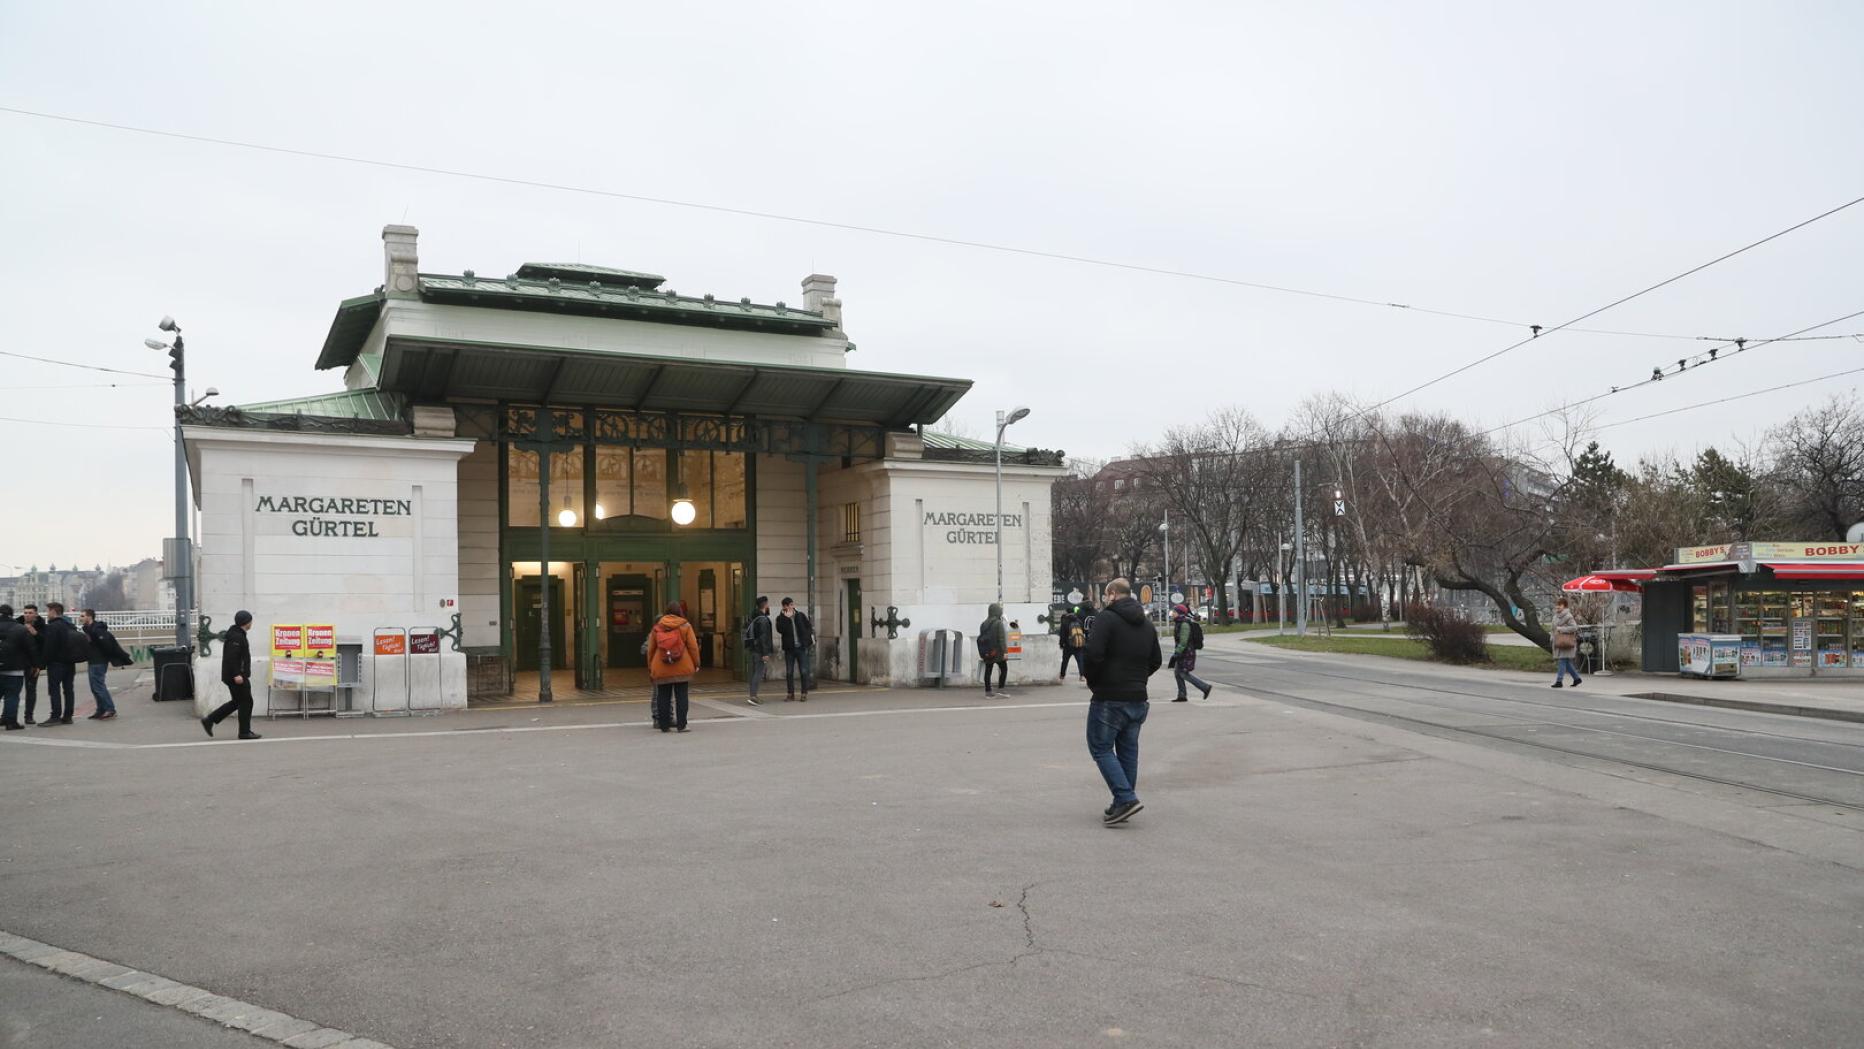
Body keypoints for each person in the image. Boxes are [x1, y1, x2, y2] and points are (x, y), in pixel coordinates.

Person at [1082, 578, 1161, 826]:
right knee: (1128, 751)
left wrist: (1094, 682)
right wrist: (1137, 679)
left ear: (1113, 594)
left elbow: (1093, 654)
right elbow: (1156, 660)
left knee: (1100, 747)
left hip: (1109, 696)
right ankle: (1122, 803)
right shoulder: (1147, 625)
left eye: (1106, 595)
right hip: (1138, 698)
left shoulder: (1106, 619)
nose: (1105, 599)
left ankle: (1126, 798)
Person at [202, 609, 262, 740]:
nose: (251, 623)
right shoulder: (236, 636)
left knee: (238, 702)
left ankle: (210, 720)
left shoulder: (237, 634)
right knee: (246, 701)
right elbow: (232, 657)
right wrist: (237, 674)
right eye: (250, 620)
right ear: (246, 622)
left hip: (236, 675)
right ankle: (244, 732)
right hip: (236, 676)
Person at [646, 603, 700, 732]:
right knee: (681, 696)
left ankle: (664, 726)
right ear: (680, 612)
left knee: (663, 696)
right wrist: (696, 663)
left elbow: (651, 649)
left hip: (662, 666)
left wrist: (651, 666)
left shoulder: (657, 627)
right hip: (682, 667)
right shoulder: (685, 626)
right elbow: (693, 647)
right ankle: (682, 725)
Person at [80, 609, 135, 720]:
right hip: (93, 660)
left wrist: (103, 655)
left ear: (89, 617)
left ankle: (110, 709)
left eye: (82, 616)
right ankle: (101, 710)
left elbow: (106, 645)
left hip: (99, 661)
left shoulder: (98, 630)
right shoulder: (88, 629)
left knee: (99, 686)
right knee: (94, 687)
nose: (80, 618)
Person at [38, 602, 85, 726]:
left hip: (56, 663)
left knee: (54, 689)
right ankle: (68, 716)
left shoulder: (53, 627)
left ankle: (55, 716)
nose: (47, 614)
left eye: (48, 611)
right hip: (70, 663)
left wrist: (41, 664)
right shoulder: (69, 625)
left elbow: (49, 647)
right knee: (68, 690)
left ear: (53, 612)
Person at [1169, 604, 1214, 702]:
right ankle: (1182, 694)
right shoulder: (1179, 623)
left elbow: (1184, 641)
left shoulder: (1184, 624)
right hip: (1184, 652)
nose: (1172, 614)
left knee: (1183, 673)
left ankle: (1205, 687)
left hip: (1186, 653)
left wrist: (1177, 653)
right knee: (1177, 672)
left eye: (1174, 612)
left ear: (1179, 613)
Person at [774, 597, 815, 701]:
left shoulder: (800, 615)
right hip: (789, 649)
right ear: (784, 607)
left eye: (792, 605)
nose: (792, 607)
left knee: (804, 671)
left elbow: (808, 627)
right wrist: (786, 618)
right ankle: (790, 693)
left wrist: (806, 639)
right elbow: (780, 630)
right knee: (789, 672)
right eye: (789, 605)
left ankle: (804, 693)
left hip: (801, 647)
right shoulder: (780, 618)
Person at [0, 605, 32, 730]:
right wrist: (36, 664)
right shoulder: (20, 629)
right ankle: (11, 722)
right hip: (15, 669)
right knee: (12, 696)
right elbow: (30, 649)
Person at [16, 604, 45, 724]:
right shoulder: (16, 624)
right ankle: (7, 715)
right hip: (17, 662)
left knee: (31, 690)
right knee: (12, 691)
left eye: (30, 613)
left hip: (33, 663)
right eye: (26, 612)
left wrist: (36, 634)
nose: (27, 615)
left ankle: (29, 716)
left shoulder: (42, 626)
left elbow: (45, 645)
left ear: (36, 614)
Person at [744, 596, 775, 706]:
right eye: (768, 604)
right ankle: (753, 696)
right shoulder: (763, 620)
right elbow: (763, 637)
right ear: (765, 605)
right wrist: (765, 653)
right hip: (759, 650)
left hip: (753, 649)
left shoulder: (754, 617)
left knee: (754, 672)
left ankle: (752, 694)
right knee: (758, 673)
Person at [978, 602, 1010, 696]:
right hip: (998, 652)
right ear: (997, 612)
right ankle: (1001, 689)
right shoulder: (998, 623)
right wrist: (1005, 652)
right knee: (1004, 669)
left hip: (987, 651)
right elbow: (1001, 639)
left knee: (988, 670)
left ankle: (988, 691)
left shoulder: (983, 624)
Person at [1551, 597, 1583, 688]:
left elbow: (1574, 627)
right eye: (1556, 606)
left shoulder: (1568, 616)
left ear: (1564, 606)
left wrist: (1561, 629)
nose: (1557, 608)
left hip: (1566, 642)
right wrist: (1552, 637)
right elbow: (1553, 629)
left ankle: (1559, 681)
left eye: (1559, 606)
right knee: (1567, 662)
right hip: (1558, 641)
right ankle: (1577, 678)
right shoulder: (1555, 616)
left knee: (1562, 660)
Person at [1058, 606, 1087, 682]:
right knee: (1080, 660)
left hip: (1068, 645)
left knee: (1065, 661)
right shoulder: (1079, 621)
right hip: (1078, 644)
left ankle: (1062, 675)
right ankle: (1082, 675)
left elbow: (1062, 634)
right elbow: (1083, 632)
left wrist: (1061, 644)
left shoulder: (1065, 621)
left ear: (1067, 612)